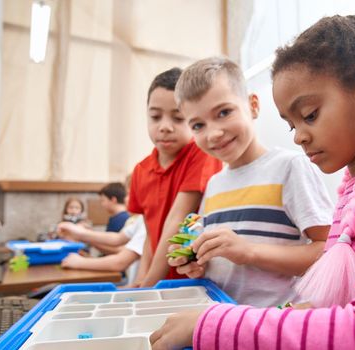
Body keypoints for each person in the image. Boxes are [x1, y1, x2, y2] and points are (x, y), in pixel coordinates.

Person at [150, 15, 355, 350]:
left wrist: (217, 324)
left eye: (309, 115)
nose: (299, 137)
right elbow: (339, 302)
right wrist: (288, 314)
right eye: (290, 125)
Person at [167, 56, 332, 307]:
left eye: (224, 112)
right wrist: (198, 263)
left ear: (253, 105)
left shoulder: (289, 167)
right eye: (198, 125)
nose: (214, 133)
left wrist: (249, 251)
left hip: (273, 327)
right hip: (222, 320)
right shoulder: (213, 185)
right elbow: (219, 262)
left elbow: (328, 252)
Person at [127, 68, 222, 288]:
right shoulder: (141, 170)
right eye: (155, 116)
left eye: (178, 118)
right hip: (156, 282)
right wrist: (142, 279)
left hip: (194, 282)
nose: (165, 127)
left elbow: (178, 217)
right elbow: (150, 235)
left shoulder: (201, 152)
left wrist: (150, 282)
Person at [61, 215, 145, 284]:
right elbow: (117, 238)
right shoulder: (142, 217)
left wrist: (79, 262)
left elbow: (120, 261)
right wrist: (80, 233)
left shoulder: (145, 220)